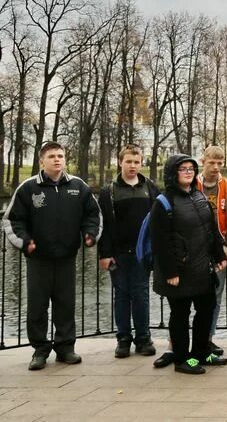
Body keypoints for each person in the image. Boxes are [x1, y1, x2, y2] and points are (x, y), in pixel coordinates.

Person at [4, 141, 100, 371]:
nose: (57, 160)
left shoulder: (79, 186)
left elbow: (93, 215)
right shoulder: (28, 188)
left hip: (67, 257)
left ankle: (65, 348)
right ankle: (39, 350)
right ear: (41, 161)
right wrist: (25, 242)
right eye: (52, 156)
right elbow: (11, 220)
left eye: (60, 156)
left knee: (65, 305)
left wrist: (90, 234)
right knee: (37, 306)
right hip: (38, 259)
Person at [150, 154, 227, 375]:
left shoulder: (198, 195)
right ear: (173, 173)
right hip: (180, 271)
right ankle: (182, 358)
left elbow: (210, 230)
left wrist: (219, 255)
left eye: (191, 168)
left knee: (206, 309)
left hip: (202, 268)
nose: (188, 172)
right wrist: (170, 271)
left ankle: (201, 352)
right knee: (180, 315)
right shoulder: (164, 202)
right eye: (183, 168)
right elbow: (160, 242)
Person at [97, 144, 161, 359]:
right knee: (122, 295)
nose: (133, 166)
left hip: (143, 252)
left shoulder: (150, 188)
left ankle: (143, 338)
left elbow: (159, 220)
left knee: (141, 294)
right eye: (129, 161)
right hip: (119, 252)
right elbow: (103, 225)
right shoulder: (109, 191)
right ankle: (123, 339)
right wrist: (104, 254)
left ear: (141, 163)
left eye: (137, 161)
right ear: (120, 162)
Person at [196, 145, 227, 357]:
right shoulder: (190, 184)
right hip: (194, 251)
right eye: (211, 162)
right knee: (188, 297)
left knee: (215, 296)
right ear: (202, 161)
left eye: (219, 163)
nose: (215, 167)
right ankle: (178, 341)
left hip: (219, 250)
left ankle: (208, 339)